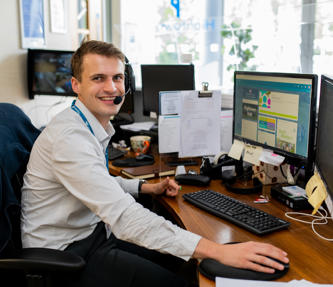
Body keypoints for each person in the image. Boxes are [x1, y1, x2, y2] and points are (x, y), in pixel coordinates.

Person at [21, 40, 289, 287]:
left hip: (92, 234)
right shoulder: (70, 138)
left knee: (182, 262)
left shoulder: (87, 123)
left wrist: (145, 189)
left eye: (117, 78)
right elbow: (124, 216)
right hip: (64, 254)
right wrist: (219, 250)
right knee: (180, 281)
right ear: (76, 85)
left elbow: (95, 182)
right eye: (98, 78)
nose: (112, 88)